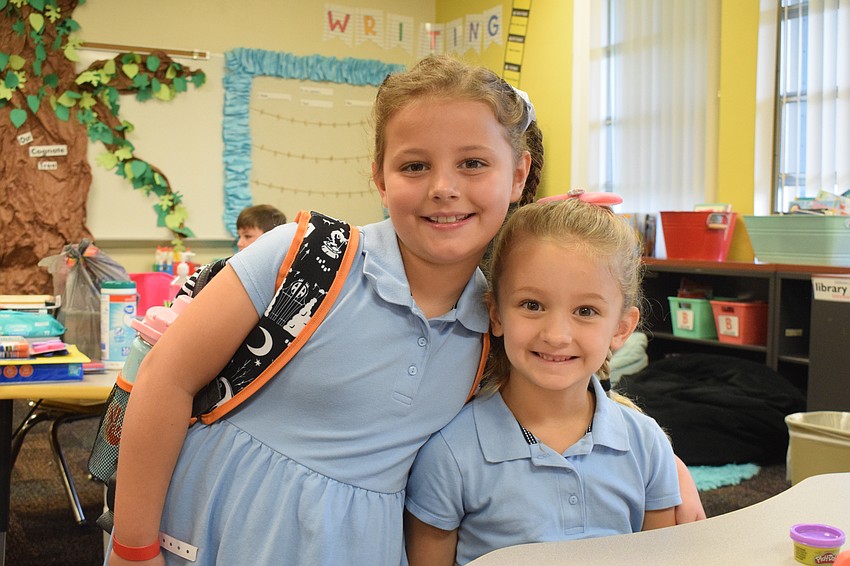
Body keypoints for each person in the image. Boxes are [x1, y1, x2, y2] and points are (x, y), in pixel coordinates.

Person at [107, 55, 701, 566]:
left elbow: (560, 382)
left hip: (358, 545)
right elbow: (168, 377)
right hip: (223, 526)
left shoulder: (501, 313)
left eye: (473, 163)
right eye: (415, 165)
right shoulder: (304, 257)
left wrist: (661, 461)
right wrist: (134, 546)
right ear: (380, 177)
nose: (444, 187)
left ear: (518, 174)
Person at [404, 194, 682, 565]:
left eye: (585, 311)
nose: (556, 335)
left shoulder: (647, 446)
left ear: (621, 328)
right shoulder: (450, 454)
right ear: (496, 313)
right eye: (532, 305)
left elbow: (663, 558)